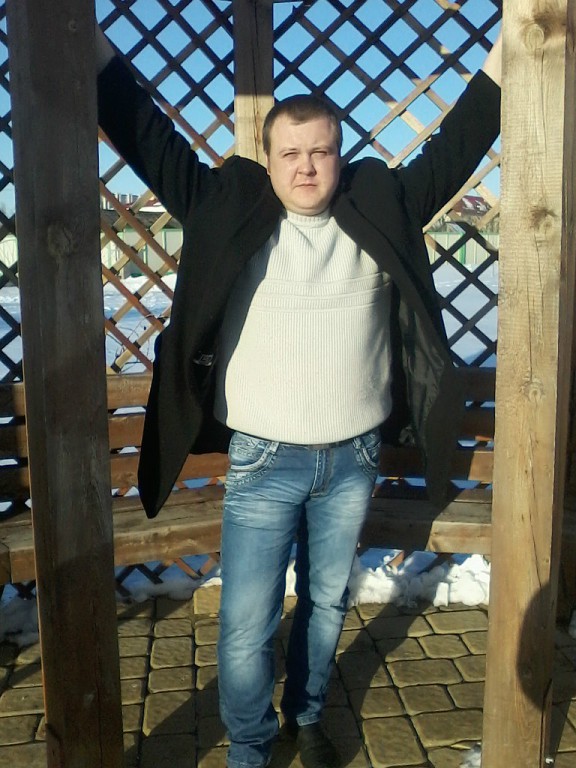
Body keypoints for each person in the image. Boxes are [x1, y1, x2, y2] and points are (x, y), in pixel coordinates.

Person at [96, 23, 501, 768]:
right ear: (269, 159)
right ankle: (250, 748)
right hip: (264, 461)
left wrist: (512, 51)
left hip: (352, 458)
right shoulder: (230, 213)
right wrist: (91, 52)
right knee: (246, 624)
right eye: (291, 153)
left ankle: (307, 716)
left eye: (321, 151)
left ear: (339, 156)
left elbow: (462, 140)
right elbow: (148, 137)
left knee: (326, 603)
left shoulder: (380, 210)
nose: (307, 166)